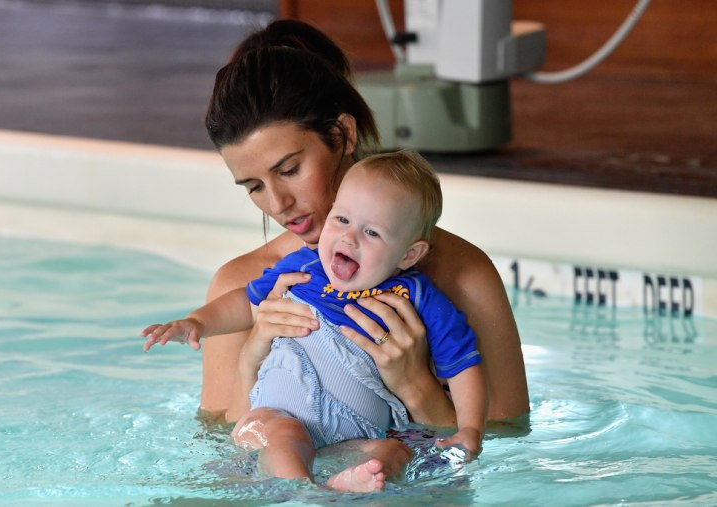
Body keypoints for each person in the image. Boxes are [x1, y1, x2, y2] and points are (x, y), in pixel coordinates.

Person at [197, 19, 528, 427]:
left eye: (289, 169)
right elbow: (225, 458)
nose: (278, 204)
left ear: (343, 134)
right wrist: (251, 358)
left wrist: (415, 386)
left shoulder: (462, 277)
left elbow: (505, 446)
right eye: (254, 186)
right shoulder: (240, 286)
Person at [142, 151, 486, 492]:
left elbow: (463, 364)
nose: (349, 238)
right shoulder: (304, 268)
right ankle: (310, 494)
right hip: (277, 420)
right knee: (285, 436)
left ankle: (339, 487)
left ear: (409, 254)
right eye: (341, 220)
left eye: (372, 233)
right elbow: (246, 302)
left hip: (354, 436)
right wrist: (197, 322)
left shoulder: (419, 297)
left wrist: (470, 430)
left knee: (390, 454)